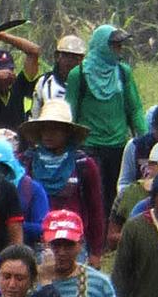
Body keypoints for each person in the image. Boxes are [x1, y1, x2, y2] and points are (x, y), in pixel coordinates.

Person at [65, 25, 145, 221]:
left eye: (120, 45)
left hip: (118, 144)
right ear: (102, 45)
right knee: (93, 195)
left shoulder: (123, 72)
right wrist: (68, 146)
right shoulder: (78, 75)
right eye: (114, 45)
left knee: (116, 194)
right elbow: (70, 113)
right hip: (90, 145)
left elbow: (134, 108)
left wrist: (144, 139)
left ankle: (113, 235)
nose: (119, 49)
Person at [16, 100, 105, 261]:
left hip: (73, 240)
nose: (48, 134)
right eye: (45, 129)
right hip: (36, 243)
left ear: (67, 132)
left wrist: (96, 252)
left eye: (55, 129)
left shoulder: (83, 164)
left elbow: (95, 209)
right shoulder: (25, 162)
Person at [35, 34, 86, 108]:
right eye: (67, 56)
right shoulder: (45, 82)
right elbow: (35, 112)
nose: (71, 61)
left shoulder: (87, 84)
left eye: (76, 57)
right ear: (57, 57)